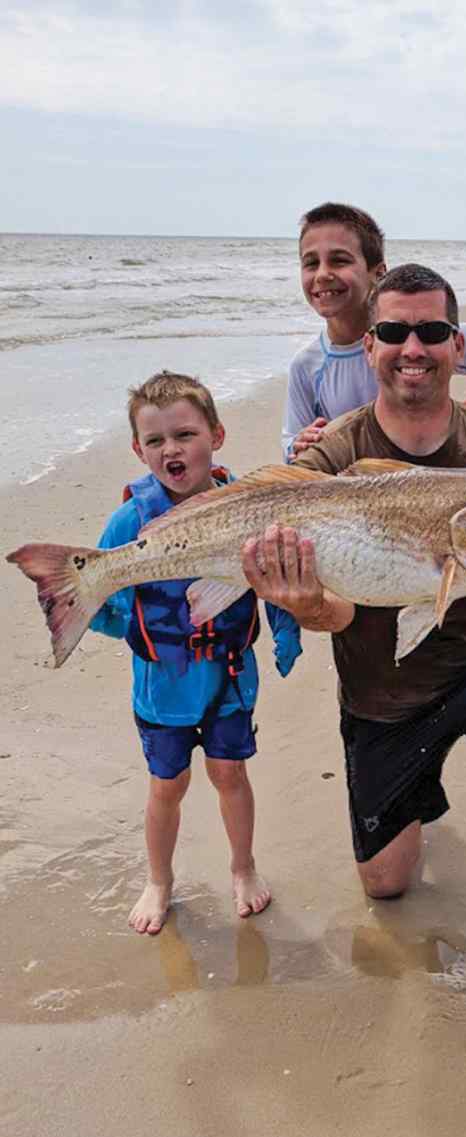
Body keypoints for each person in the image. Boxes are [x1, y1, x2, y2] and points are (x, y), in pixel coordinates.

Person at [244, 265, 466, 1008]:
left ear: (455, 343)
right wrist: (305, 603)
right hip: (382, 688)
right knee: (387, 886)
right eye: (397, 332)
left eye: (432, 332)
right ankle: (412, 801)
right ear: (370, 344)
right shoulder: (334, 450)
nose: (415, 347)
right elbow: (337, 615)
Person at [91, 371, 301, 935]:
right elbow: (99, 592)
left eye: (185, 434)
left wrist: (286, 633)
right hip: (162, 685)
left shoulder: (253, 507)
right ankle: (159, 879)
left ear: (217, 435)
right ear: (138, 449)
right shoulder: (130, 520)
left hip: (230, 677)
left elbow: (275, 580)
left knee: (231, 772)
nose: (171, 449)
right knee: (168, 786)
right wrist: (130, 633)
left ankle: (243, 866)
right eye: (155, 441)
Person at [282, 202, 466, 460]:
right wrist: (297, 444)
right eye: (311, 263)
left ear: (379, 272)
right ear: (369, 347)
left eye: (339, 261)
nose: (323, 274)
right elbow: (291, 446)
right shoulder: (307, 365)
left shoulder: (419, 335)